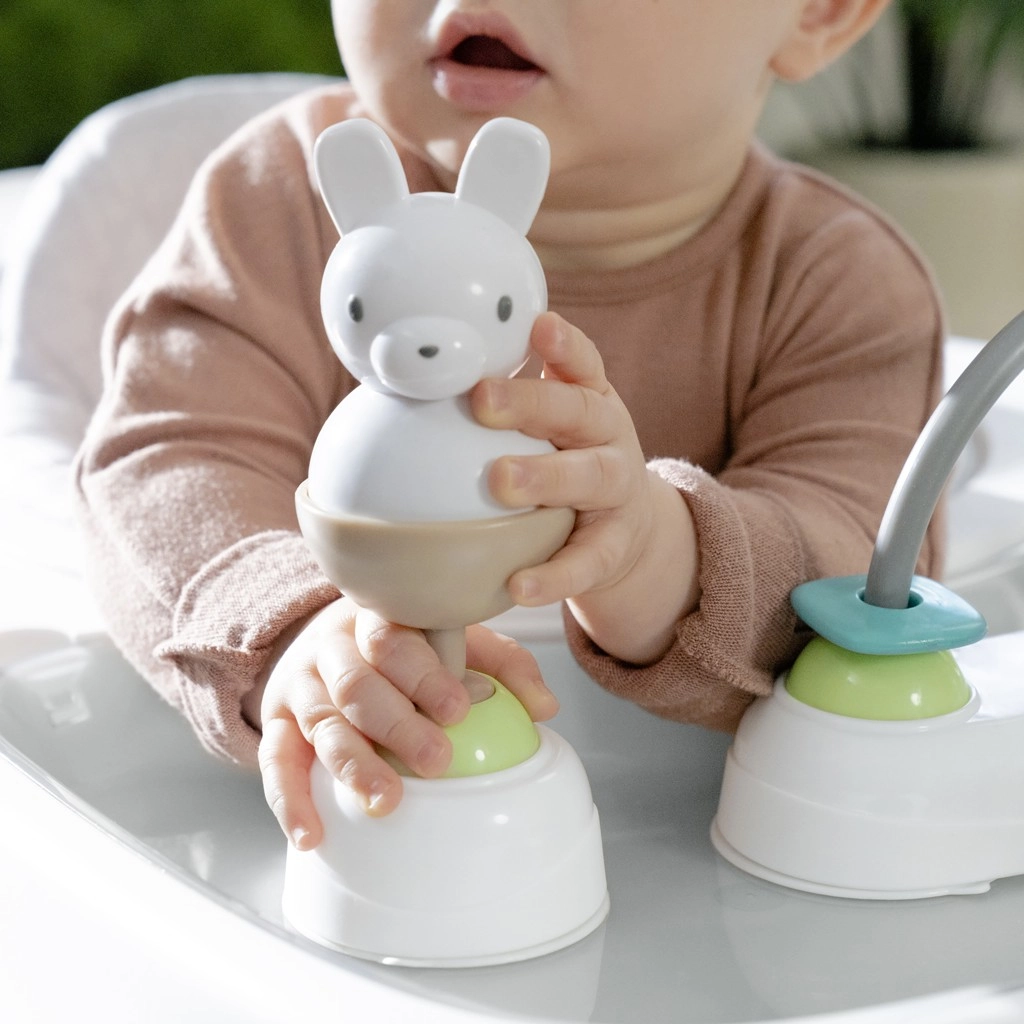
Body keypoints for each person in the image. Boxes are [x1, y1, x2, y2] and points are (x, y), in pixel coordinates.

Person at [73, 0, 945, 851]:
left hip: (699, 841)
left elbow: (865, 577)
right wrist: (289, 634)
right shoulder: (281, 204)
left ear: (821, 12)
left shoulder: (840, 284)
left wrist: (650, 555)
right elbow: (165, 462)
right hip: (366, 834)